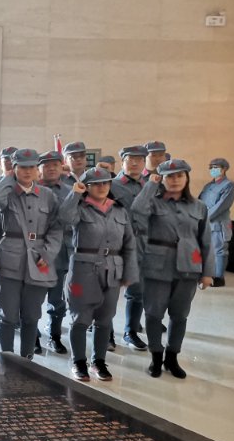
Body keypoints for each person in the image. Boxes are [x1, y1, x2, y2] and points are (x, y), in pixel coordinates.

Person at [131, 159, 214, 379]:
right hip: (156, 268)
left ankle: (172, 357)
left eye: (179, 175)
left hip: (189, 268)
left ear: (187, 178)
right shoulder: (152, 202)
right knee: (153, 314)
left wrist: (207, 272)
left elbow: (206, 240)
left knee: (180, 315)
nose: (175, 180)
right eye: (169, 176)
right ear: (162, 179)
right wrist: (150, 185)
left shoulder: (199, 206)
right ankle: (156, 356)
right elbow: (136, 211)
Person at [58, 168, 138, 382]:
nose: (101, 187)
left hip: (112, 270)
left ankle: (99, 361)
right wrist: (74, 194)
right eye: (95, 184)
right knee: (80, 318)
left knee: (105, 319)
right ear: (86, 187)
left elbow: (130, 243)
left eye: (105, 183)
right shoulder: (79, 207)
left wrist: (129, 272)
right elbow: (64, 218)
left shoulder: (119, 210)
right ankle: (78, 362)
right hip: (83, 271)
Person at [0, 149, 63, 359]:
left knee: (31, 316)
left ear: (37, 169)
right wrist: (8, 178)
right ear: (14, 169)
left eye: (32, 167)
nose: (28, 171)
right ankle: (6, 359)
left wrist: (47, 254)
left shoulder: (47, 195)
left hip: (40, 260)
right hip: (9, 260)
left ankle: (27, 359)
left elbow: (57, 228)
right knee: (8, 315)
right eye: (22, 167)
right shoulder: (7, 192)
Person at [111, 145, 150, 351]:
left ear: (144, 162)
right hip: (115, 245)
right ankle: (106, 333)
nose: (134, 163)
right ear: (122, 162)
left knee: (137, 293)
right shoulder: (110, 185)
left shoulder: (150, 186)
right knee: (108, 292)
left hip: (142, 246)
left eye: (139, 159)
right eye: (130, 159)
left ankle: (131, 331)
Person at [37, 150, 70, 354]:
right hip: (37, 253)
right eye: (46, 165)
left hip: (61, 254)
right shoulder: (32, 189)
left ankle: (54, 335)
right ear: (39, 168)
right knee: (33, 298)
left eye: (55, 165)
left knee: (57, 299)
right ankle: (32, 335)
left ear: (61, 167)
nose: (51, 168)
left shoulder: (70, 191)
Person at [199, 158, 234, 287]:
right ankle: (208, 274)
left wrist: (204, 217)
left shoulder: (229, 186)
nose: (213, 170)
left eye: (216, 167)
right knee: (207, 250)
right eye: (211, 167)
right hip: (206, 223)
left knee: (219, 251)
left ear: (224, 169)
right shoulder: (208, 186)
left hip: (219, 223)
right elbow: (200, 201)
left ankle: (219, 277)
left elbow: (221, 206)